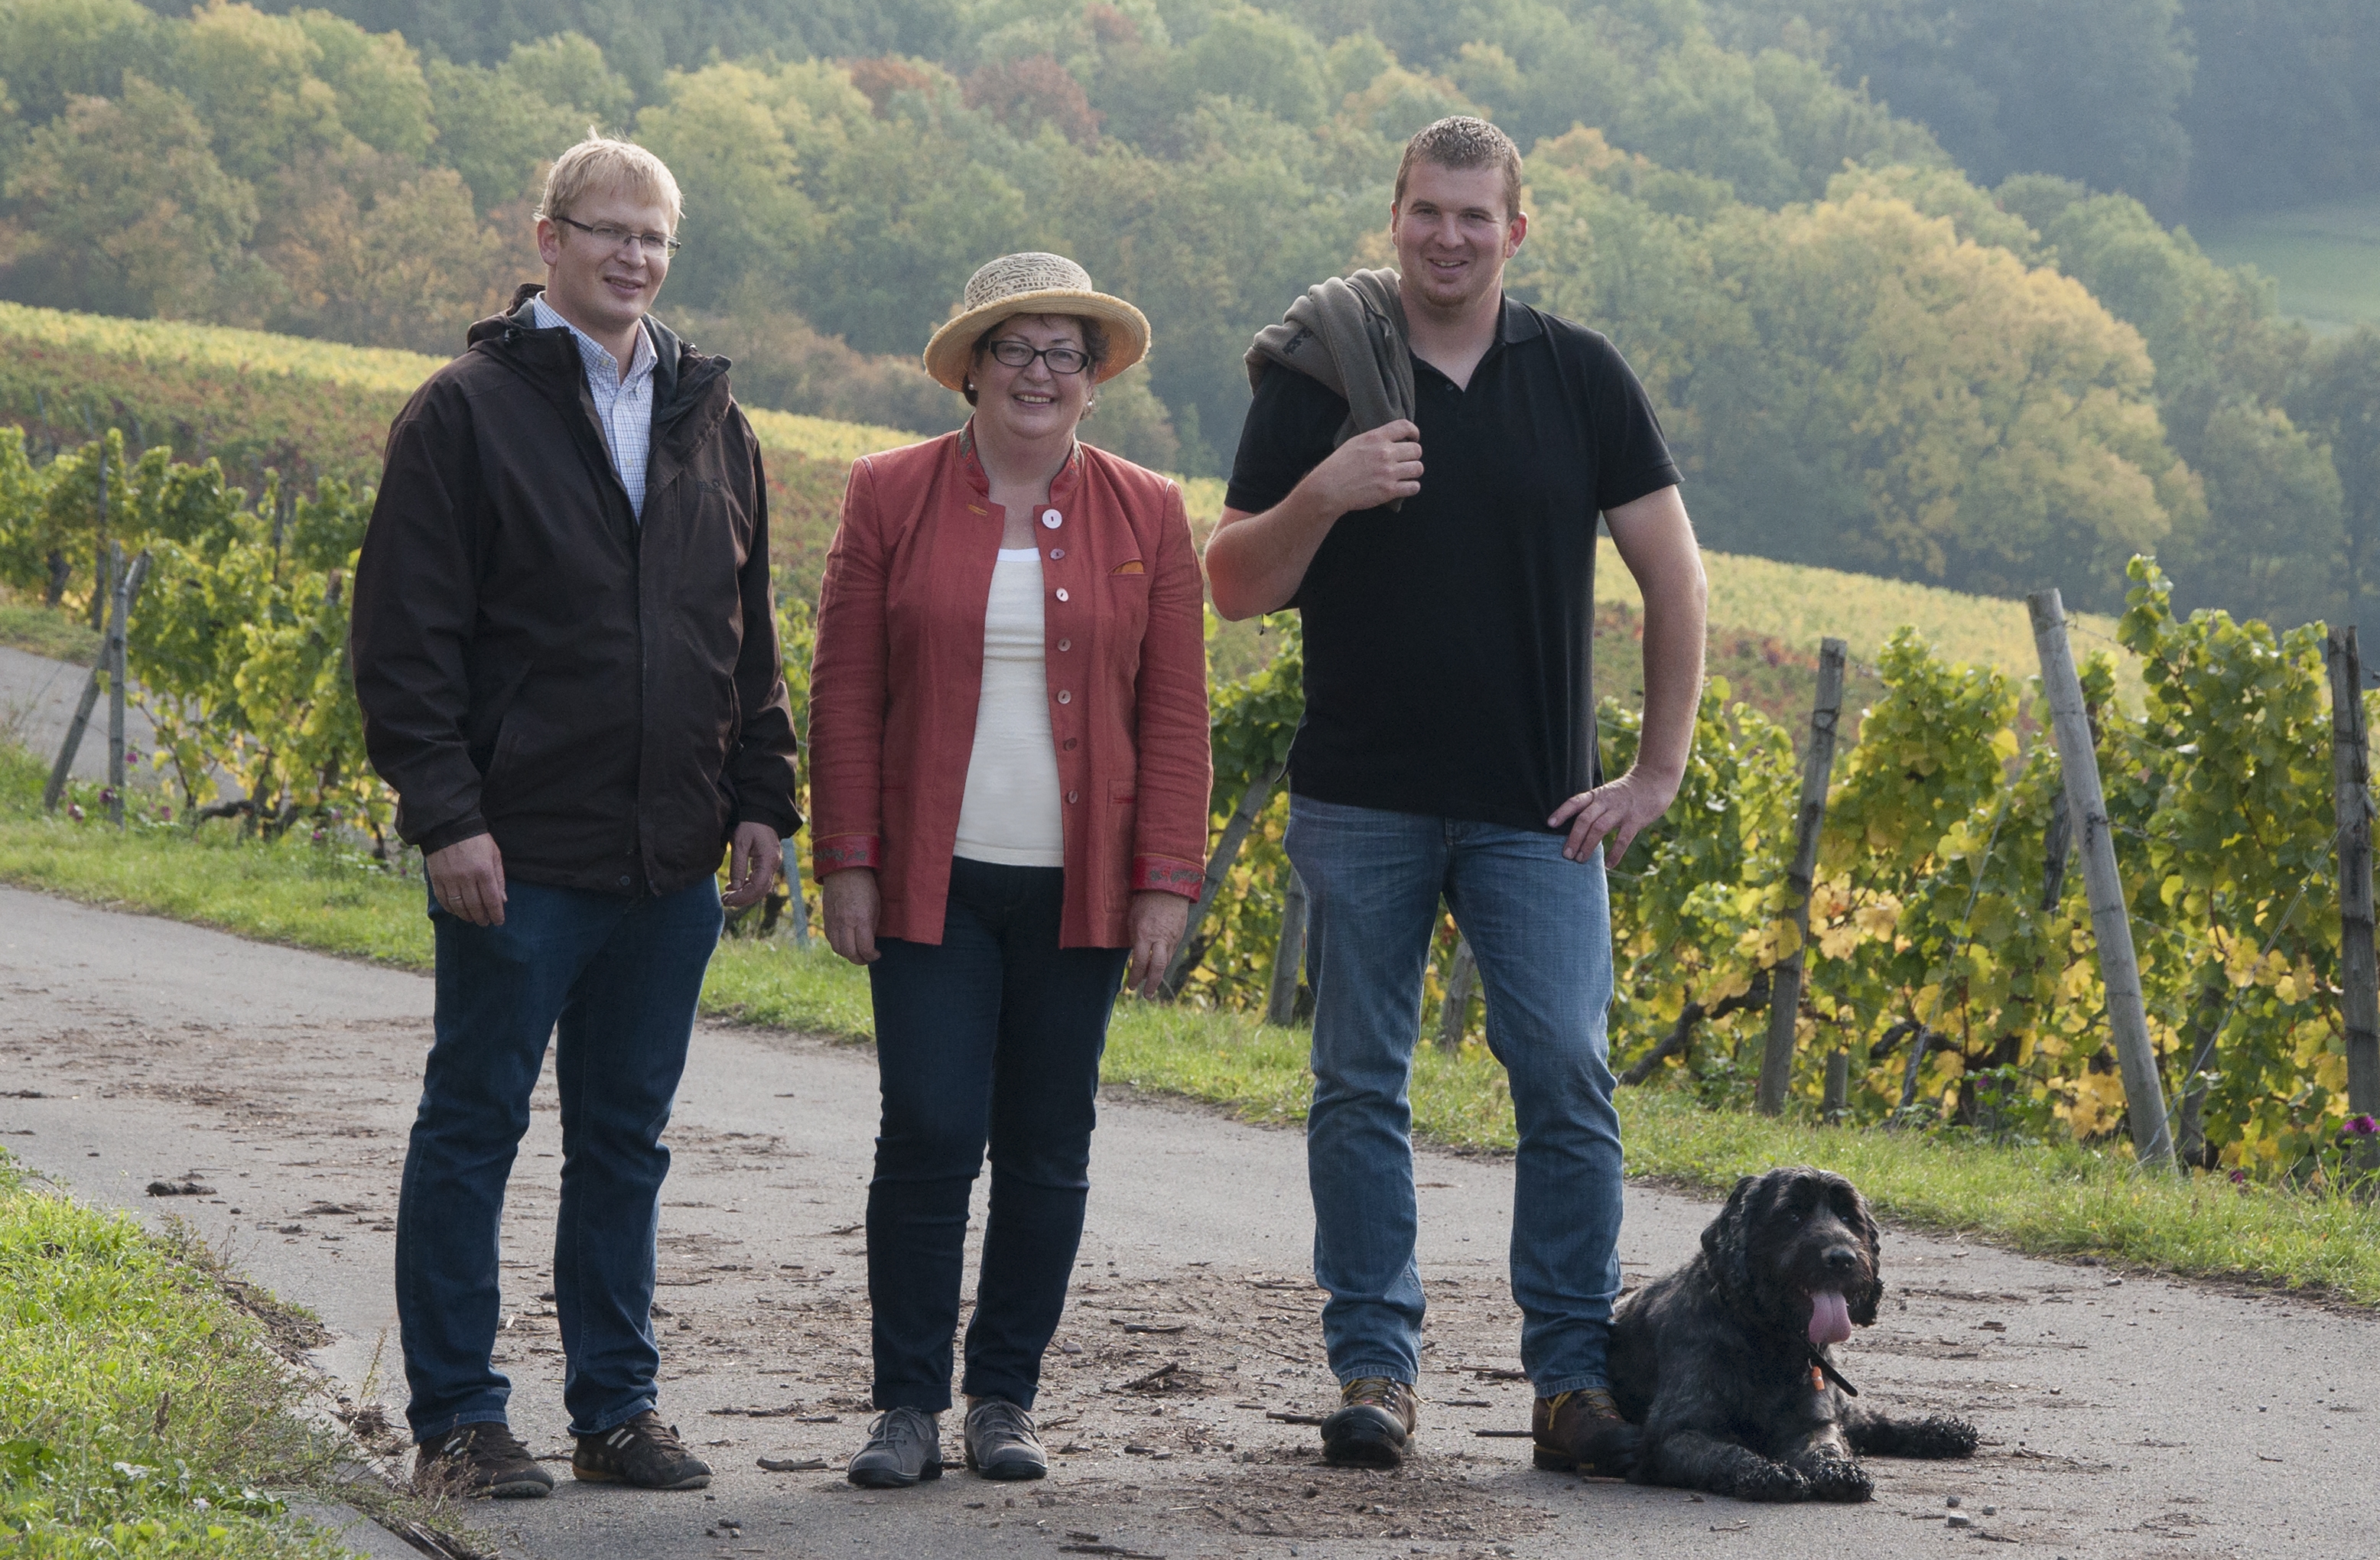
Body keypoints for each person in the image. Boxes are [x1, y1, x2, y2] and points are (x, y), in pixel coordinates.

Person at [1205, 116, 1709, 1475]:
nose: (1449, 236)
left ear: (1516, 231)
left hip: (1537, 811)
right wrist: (1326, 490)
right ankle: (1376, 1369)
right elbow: (1236, 584)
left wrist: (1657, 772)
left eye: (1475, 215)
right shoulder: (1319, 378)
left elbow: (1677, 578)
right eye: (1428, 210)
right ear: (1396, 217)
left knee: (1568, 1081)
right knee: (1359, 1087)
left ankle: (1570, 1382)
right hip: (1359, 799)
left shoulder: (1580, 376)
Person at [350, 132, 798, 1499]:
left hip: (668, 861)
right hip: (518, 853)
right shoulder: (464, 413)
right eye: (609, 230)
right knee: (473, 1127)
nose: (634, 257)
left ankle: (616, 1410)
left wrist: (762, 797)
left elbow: (749, 634)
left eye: (655, 238)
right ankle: (458, 1422)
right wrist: (447, 816)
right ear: (548, 238)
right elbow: (405, 641)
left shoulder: (711, 418)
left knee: (623, 1143)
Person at [807, 252, 1211, 1488]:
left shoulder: (1150, 511)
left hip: (1079, 890)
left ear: (1092, 378)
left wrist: (1165, 880)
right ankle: (906, 1408)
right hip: (933, 879)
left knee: (1047, 1141)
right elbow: (844, 689)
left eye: (1063, 354)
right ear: (972, 368)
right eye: (1016, 349)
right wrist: (848, 860)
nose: (1041, 373)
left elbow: (1176, 712)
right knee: (930, 1127)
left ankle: (1004, 1400)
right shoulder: (887, 492)